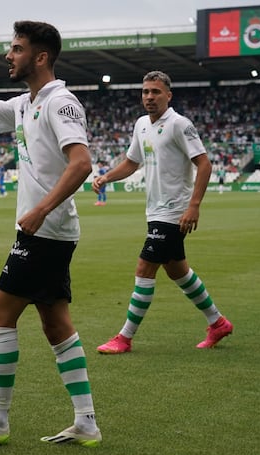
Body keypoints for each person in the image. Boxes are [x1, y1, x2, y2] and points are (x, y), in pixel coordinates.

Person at [0, 21, 101, 447]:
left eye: (16, 49)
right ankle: (85, 422)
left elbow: (82, 163)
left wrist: (40, 210)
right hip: (49, 231)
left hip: (45, 232)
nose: (8, 56)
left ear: (41, 56)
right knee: (56, 324)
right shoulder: (23, 104)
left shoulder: (61, 102)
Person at [93, 70, 233, 354]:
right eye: (145, 92)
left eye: (155, 92)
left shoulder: (180, 124)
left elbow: (204, 164)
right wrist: (106, 177)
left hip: (174, 212)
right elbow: (132, 163)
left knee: (145, 268)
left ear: (168, 95)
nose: (149, 97)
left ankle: (125, 337)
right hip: (155, 210)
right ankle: (217, 322)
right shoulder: (141, 124)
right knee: (178, 272)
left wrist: (193, 206)